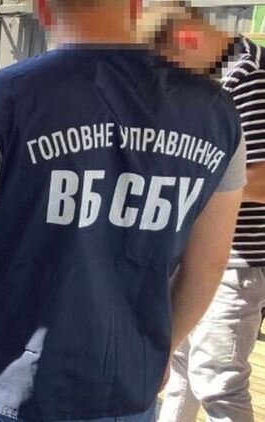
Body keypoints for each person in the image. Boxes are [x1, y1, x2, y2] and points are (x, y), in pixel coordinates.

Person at [0, 1, 247, 421]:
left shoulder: (4, 97)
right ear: (135, 6)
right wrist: (161, 348)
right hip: (126, 385)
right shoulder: (219, 114)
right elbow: (209, 262)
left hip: (11, 382)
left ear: (44, 8)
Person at [152, 13, 265, 422]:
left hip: (236, 259)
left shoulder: (248, 76)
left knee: (218, 382)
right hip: (200, 254)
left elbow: (260, 179)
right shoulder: (217, 73)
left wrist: (186, 179)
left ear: (187, 37)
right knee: (182, 371)